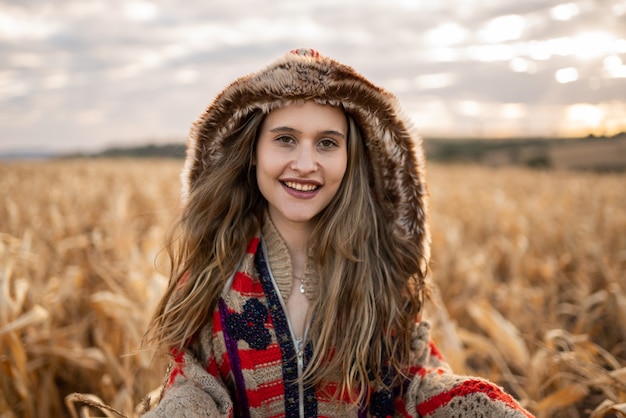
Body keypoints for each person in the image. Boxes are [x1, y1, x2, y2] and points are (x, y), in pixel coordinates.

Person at [141, 48, 534, 417]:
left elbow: (413, 380)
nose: (306, 163)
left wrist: (475, 405)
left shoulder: (380, 273)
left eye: (327, 143)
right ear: (253, 150)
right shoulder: (213, 271)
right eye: (285, 139)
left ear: (351, 159)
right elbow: (193, 378)